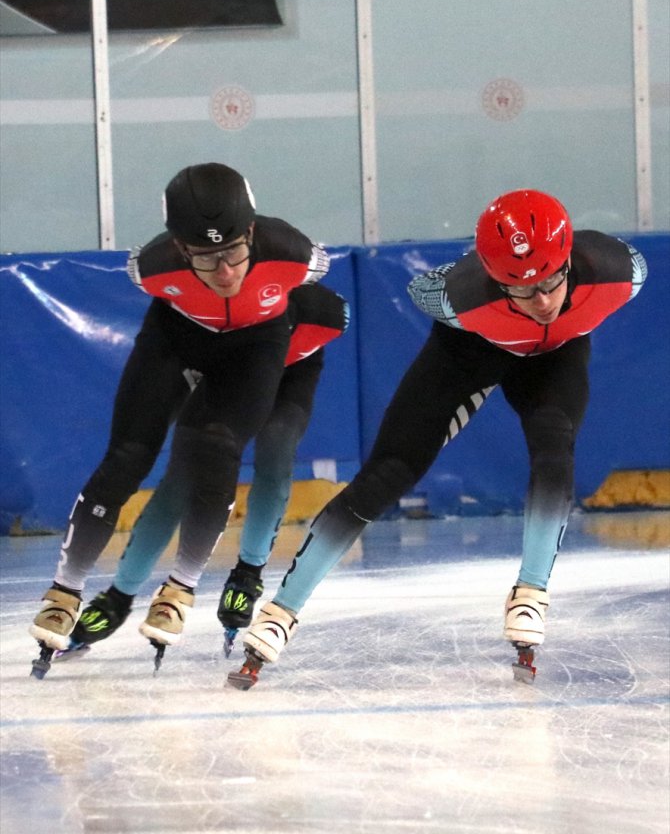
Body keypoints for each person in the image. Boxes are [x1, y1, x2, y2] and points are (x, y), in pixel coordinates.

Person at [228, 188, 648, 687]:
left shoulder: (620, 270)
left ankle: (531, 592)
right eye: (522, 290)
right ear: (494, 279)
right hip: (470, 350)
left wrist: (533, 305)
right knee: (386, 476)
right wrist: (484, 286)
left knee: (554, 447)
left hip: (557, 356)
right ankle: (282, 610)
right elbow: (419, 290)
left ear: (569, 261)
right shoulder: (461, 296)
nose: (540, 302)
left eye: (552, 282)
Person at [28, 161, 333, 676]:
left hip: (255, 348)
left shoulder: (295, 255)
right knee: (127, 456)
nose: (226, 273)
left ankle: (182, 586)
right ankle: (65, 590)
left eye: (235, 251)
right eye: (205, 259)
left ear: (253, 232)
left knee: (218, 449)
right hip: (177, 335)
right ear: (178, 247)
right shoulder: (152, 268)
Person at [64, 281, 348, 656]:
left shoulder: (315, 310)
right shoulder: (215, 298)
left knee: (277, 450)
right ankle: (121, 593)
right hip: (235, 368)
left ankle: (248, 573)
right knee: (183, 474)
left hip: (289, 370)